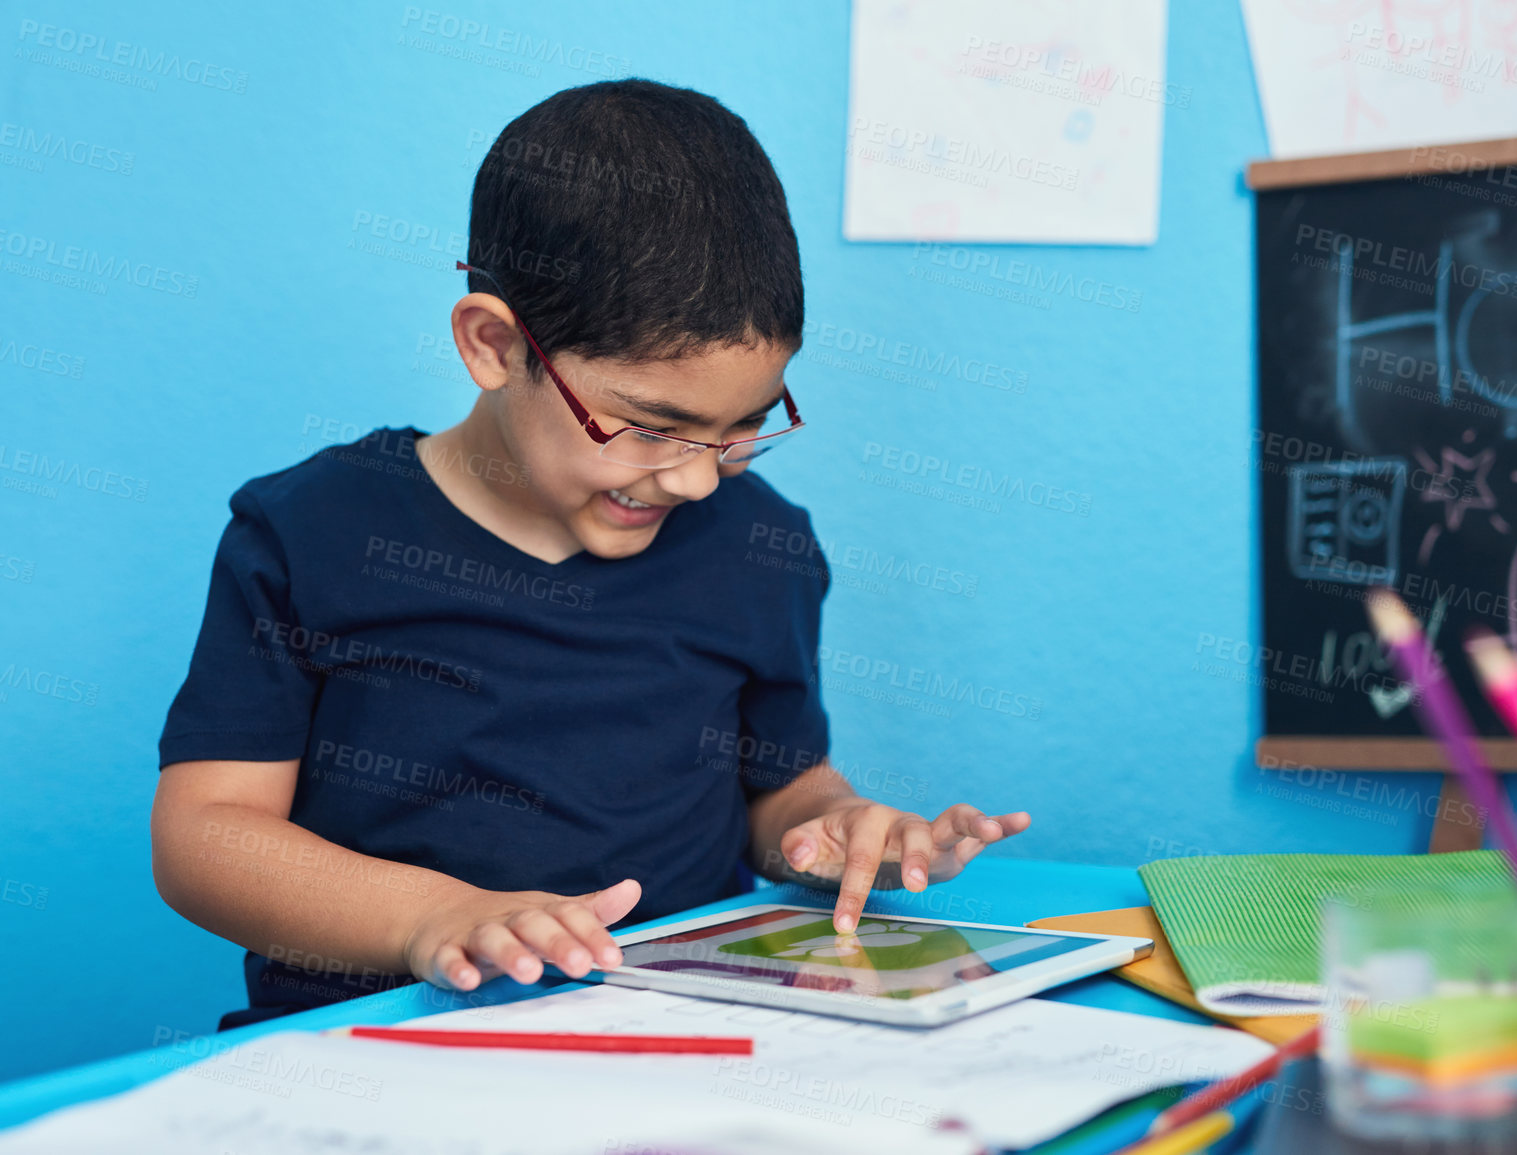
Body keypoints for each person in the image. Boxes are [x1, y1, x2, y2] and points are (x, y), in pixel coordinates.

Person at [150, 78, 1029, 1029]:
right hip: (374, 1045)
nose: (696, 479)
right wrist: (433, 917)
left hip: (684, 1037)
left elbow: (780, 792)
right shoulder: (308, 531)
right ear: (494, 345)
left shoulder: (758, 542)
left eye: (743, 428)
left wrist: (835, 828)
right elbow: (206, 835)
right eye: (651, 426)